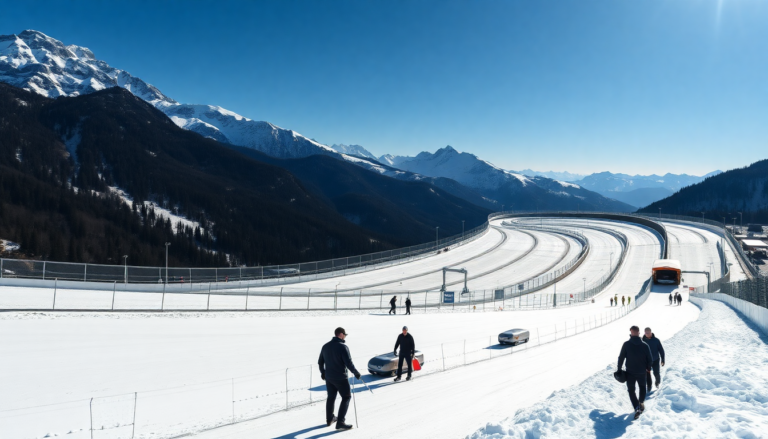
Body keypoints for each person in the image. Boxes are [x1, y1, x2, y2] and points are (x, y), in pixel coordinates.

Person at [318, 327, 361, 431]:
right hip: (341, 378)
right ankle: (340, 422)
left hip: (329, 378)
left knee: (331, 397)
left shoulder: (325, 346)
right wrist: (356, 372)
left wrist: (323, 372)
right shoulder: (343, 347)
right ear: (341, 334)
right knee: (346, 397)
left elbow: (320, 362)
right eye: (344, 335)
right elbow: (348, 363)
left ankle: (329, 419)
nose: (345, 336)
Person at [617, 325, 653, 419]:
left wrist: (619, 369)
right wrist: (648, 368)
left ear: (631, 333)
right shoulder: (645, 345)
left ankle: (636, 407)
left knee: (631, 390)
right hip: (642, 372)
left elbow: (621, 357)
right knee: (642, 387)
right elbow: (650, 359)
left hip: (630, 372)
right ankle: (641, 403)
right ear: (639, 332)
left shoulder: (626, 344)